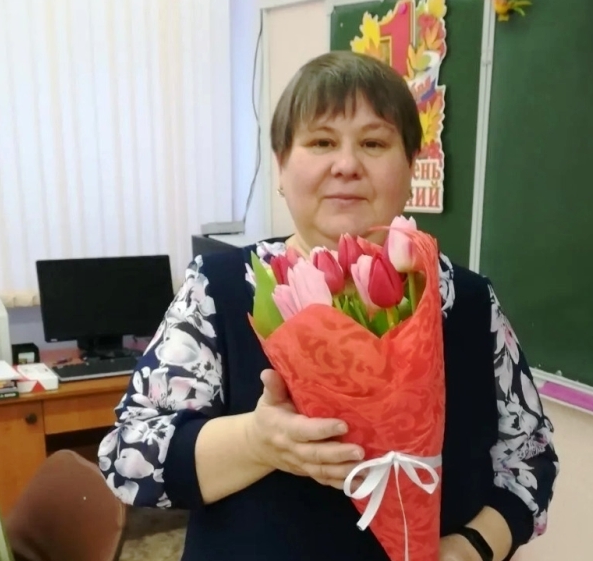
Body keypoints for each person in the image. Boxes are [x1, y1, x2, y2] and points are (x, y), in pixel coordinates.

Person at [98, 51, 559, 561]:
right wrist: (256, 441)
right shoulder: (220, 290)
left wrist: (471, 548)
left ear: (411, 166)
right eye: (321, 142)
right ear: (280, 165)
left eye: (374, 143)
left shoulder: (468, 302)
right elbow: (129, 458)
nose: (347, 165)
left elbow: (530, 460)